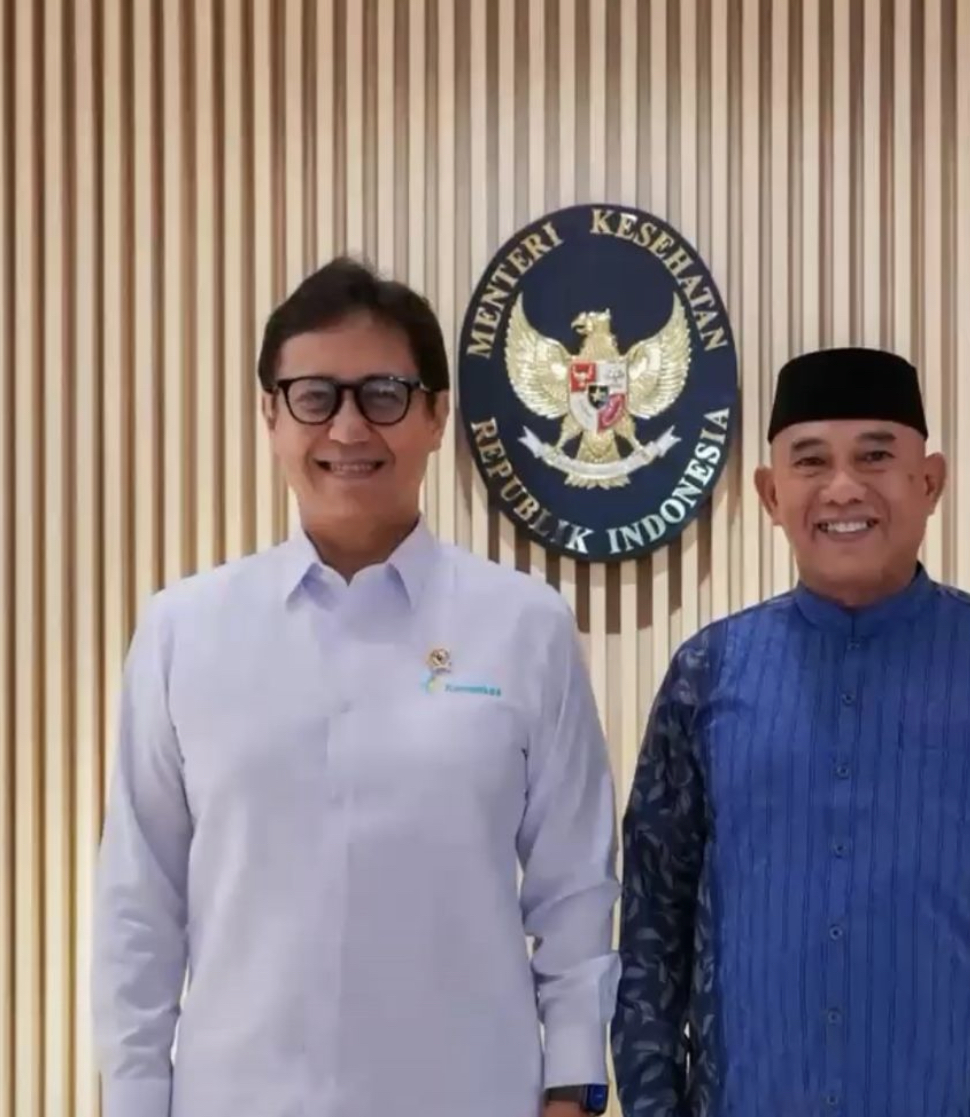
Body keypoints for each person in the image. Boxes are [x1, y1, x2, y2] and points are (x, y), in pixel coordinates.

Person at [92, 257, 619, 1117]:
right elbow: (139, 903)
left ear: (436, 415)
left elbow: (575, 889)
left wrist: (573, 1088)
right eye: (313, 396)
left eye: (383, 394)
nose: (347, 428)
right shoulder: (184, 631)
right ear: (270, 415)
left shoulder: (526, 626)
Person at [611, 347, 970, 1117]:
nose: (844, 487)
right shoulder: (705, 677)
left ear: (930, 482)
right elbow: (653, 928)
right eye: (811, 460)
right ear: (771, 493)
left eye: (876, 456)